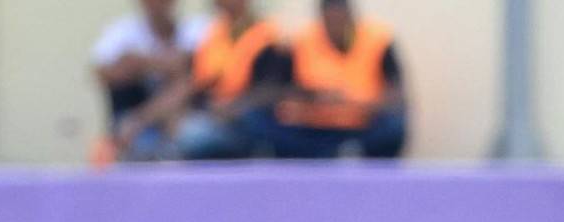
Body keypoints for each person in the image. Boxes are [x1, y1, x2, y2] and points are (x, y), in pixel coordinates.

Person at [264, 0, 407, 159]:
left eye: (340, 17)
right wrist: (314, 96)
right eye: (330, 19)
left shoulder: (378, 39)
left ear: (351, 15)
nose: (336, 24)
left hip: (364, 123)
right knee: (269, 126)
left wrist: (355, 102)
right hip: (313, 126)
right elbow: (278, 90)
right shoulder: (301, 40)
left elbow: (397, 95)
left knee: (393, 126)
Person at [90, 0, 209, 162]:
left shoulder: (195, 30)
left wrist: (137, 63)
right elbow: (101, 73)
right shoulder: (122, 31)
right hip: (135, 124)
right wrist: (162, 64)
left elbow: (191, 77)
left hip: (173, 121)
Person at [172, 0, 286, 160]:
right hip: (214, 115)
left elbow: (271, 89)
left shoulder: (267, 37)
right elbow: (198, 82)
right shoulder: (214, 34)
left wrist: (233, 107)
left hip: (249, 120)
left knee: (193, 135)